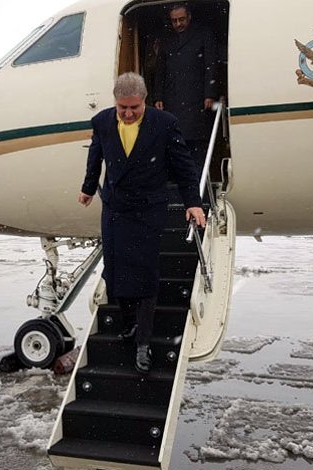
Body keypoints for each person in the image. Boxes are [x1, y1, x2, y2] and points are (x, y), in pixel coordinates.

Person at [78, 72, 206, 373]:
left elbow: (185, 167)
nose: (128, 113)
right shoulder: (102, 122)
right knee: (115, 271)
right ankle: (129, 322)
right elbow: (95, 159)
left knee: (146, 274)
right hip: (115, 207)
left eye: (134, 107)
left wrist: (193, 203)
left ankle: (143, 343)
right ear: (115, 102)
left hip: (148, 209)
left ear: (144, 101)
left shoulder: (165, 124)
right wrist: (87, 188)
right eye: (123, 107)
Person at [154, 2, 218, 173]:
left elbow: (210, 65)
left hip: (197, 98)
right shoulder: (167, 39)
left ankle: (198, 183)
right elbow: (160, 70)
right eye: (174, 21)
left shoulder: (203, 34)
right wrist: (158, 96)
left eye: (181, 19)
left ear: (189, 17)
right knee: (177, 142)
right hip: (173, 98)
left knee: (196, 142)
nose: (178, 24)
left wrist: (209, 94)